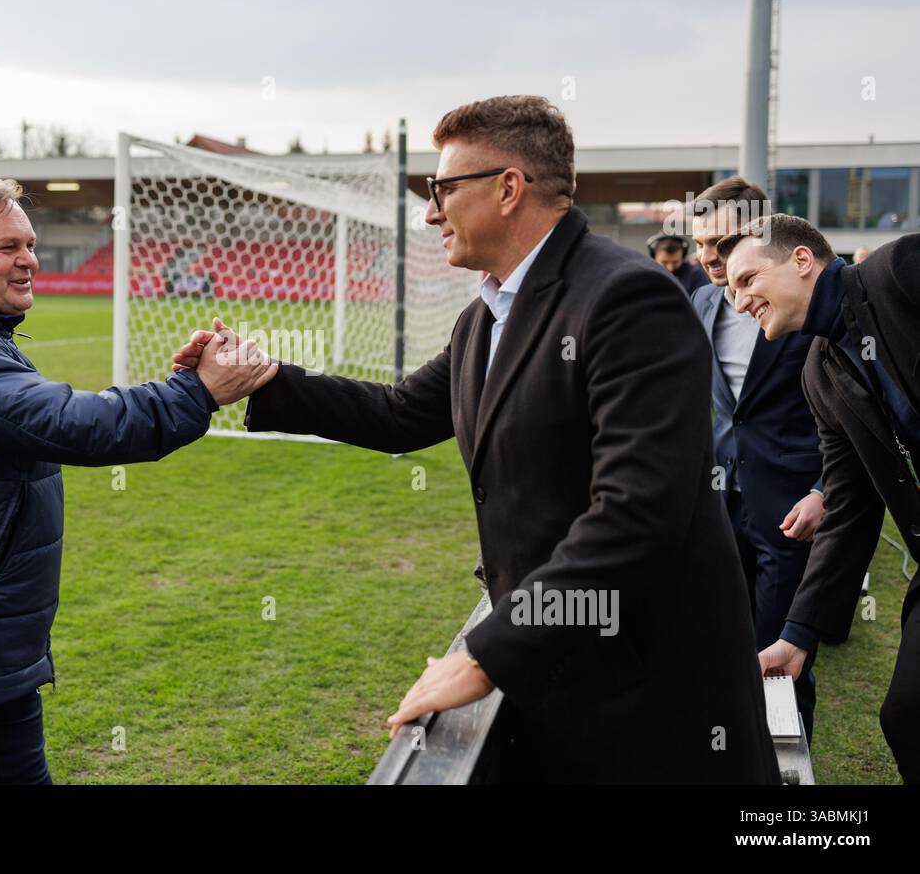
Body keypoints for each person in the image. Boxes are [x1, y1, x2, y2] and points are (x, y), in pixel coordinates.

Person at [174, 96, 778, 783]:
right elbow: (400, 413)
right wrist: (266, 379)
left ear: (508, 188)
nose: (431, 212)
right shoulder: (485, 315)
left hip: (651, 703)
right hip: (563, 681)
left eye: (443, 190)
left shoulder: (627, 300)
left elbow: (638, 513)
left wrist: (486, 655)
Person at [0, 175, 276, 784]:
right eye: (7, 247)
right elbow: (73, 424)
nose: (28, 260)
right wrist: (196, 391)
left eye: (30, 244)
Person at [720, 216, 920, 783]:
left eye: (747, 279)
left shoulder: (901, 269)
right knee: (908, 715)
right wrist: (797, 635)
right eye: (730, 290)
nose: (738, 302)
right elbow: (850, 506)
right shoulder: (820, 372)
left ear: (802, 261)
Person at [688, 177, 825, 743]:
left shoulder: (812, 306)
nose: (707, 259)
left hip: (789, 512)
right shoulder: (698, 301)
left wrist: (826, 492)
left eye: (720, 245)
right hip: (716, 506)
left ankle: (785, 783)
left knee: (782, 657)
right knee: (718, 647)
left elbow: (847, 417)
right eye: (699, 245)